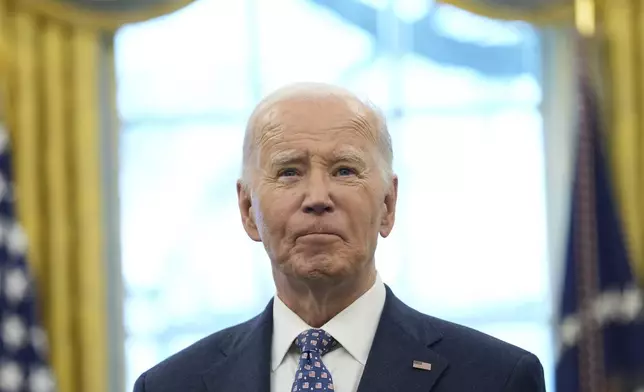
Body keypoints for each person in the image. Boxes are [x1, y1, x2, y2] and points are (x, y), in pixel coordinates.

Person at [133, 82, 546, 392]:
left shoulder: (497, 378)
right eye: (289, 172)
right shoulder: (170, 385)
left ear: (388, 204)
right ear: (248, 212)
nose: (317, 198)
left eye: (344, 171)